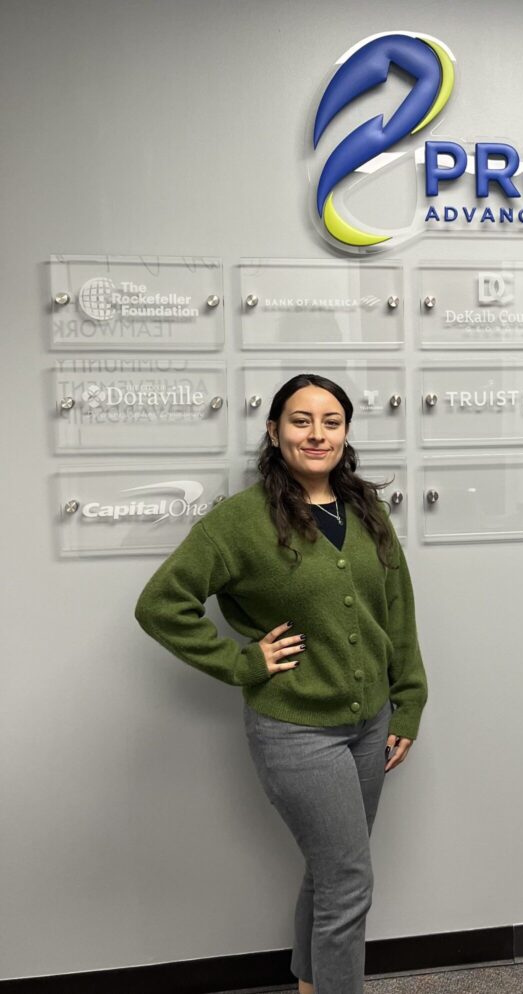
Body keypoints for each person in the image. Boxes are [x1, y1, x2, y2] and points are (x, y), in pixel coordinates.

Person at [135, 373, 427, 994]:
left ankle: (309, 983)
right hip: (297, 732)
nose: (316, 434)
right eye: (300, 420)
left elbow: (396, 608)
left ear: (345, 434)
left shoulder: (366, 510)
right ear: (274, 431)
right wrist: (242, 663)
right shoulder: (240, 523)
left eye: (331, 421)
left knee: (330, 873)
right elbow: (161, 604)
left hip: (370, 723)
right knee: (349, 882)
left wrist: (409, 704)